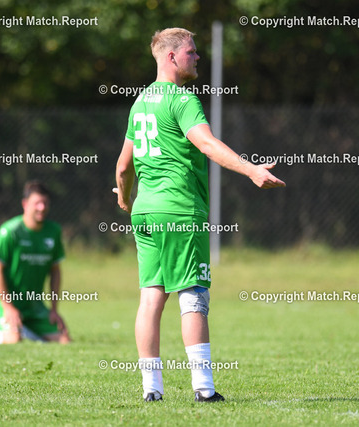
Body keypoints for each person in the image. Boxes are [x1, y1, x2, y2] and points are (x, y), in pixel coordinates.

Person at [114, 28, 285, 403]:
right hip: (179, 210)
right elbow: (207, 144)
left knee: (151, 297)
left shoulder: (140, 101)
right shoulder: (182, 98)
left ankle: (151, 389)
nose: (197, 58)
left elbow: (123, 167)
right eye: (191, 52)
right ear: (171, 57)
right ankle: (204, 389)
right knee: (193, 294)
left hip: (145, 212)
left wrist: (125, 200)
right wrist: (251, 170)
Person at [0, 180, 71, 345]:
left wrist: (54, 310)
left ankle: (26, 331)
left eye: (45, 203)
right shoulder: (10, 231)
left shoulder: (53, 231)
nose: (42, 207)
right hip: (2, 302)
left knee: (64, 340)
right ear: (25, 204)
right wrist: (7, 307)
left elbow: (55, 270)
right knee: (13, 339)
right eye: (37, 203)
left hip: (33, 306)